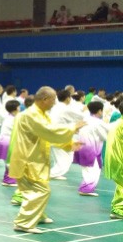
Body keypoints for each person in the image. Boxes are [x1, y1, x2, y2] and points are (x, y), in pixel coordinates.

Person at [8, 87, 85, 233]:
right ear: (44, 99)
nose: (54, 103)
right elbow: (49, 132)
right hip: (27, 160)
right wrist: (72, 127)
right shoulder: (31, 115)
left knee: (37, 189)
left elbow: (47, 135)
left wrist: (68, 145)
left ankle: (38, 215)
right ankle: (23, 223)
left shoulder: (41, 114)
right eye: (53, 100)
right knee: (41, 190)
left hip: (35, 159)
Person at [77, 101, 110, 196]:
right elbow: (105, 136)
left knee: (87, 169)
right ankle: (86, 189)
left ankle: (85, 188)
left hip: (82, 147)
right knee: (94, 170)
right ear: (100, 111)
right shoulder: (98, 122)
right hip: (91, 149)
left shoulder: (85, 119)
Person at [0, 99, 21, 187]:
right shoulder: (13, 119)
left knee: (9, 162)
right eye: (19, 106)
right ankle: (9, 181)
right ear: (15, 108)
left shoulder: (9, 117)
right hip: (8, 141)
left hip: (4, 141)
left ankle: (7, 179)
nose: (20, 108)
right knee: (11, 162)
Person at [105, 119, 123, 220]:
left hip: (114, 157)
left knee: (120, 184)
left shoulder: (117, 123)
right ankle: (118, 209)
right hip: (119, 157)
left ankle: (117, 208)